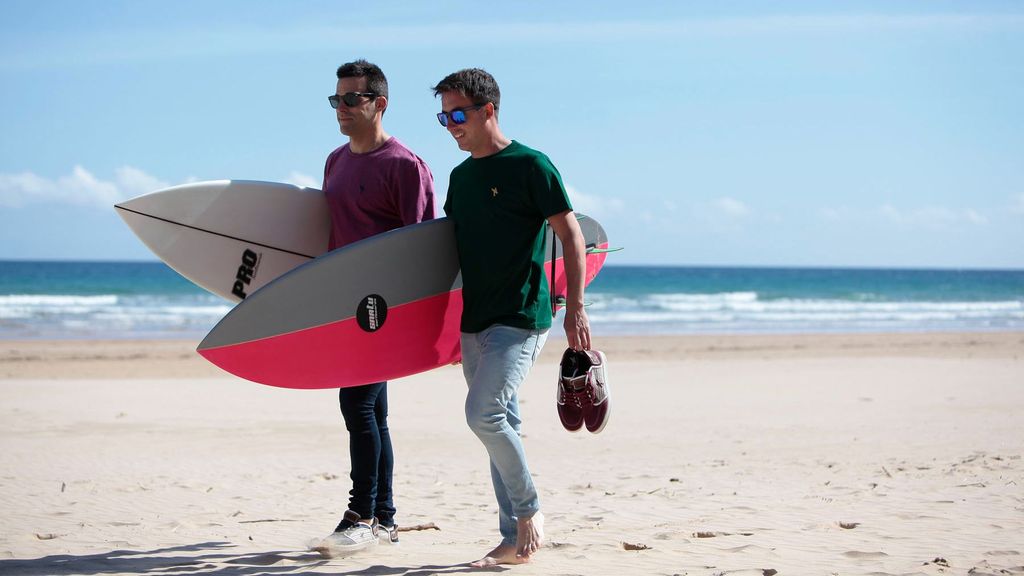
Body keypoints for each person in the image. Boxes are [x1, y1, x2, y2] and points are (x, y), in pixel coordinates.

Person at [432, 68, 591, 567]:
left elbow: (571, 235)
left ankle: (528, 512)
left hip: (521, 316)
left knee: (484, 414)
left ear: (488, 111)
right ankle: (511, 541)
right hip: (474, 320)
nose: (451, 125)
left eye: (458, 114)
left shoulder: (531, 165)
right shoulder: (460, 178)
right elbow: (448, 253)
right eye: (443, 116)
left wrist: (576, 310)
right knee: (505, 421)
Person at [319, 59, 435, 554]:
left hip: (383, 308)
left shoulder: (405, 166)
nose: (341, 109)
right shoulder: (335, 160)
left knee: (357, 404)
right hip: (345, 305)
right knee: (375, 413)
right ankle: (384, 518)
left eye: (352, 99)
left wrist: (417, 328)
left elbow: (424, 246)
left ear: (379, 103)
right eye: (336, 100)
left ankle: (360, 512)